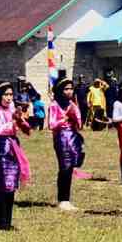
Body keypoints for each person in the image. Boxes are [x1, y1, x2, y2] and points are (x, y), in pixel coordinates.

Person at [0, 82, 31, 230]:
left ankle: (8, 222)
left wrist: (20, 120)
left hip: (13, 147)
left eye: (11, 94)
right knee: (3, 184)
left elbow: (23, 127)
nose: (9, 98)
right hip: (1, 147)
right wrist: (13, 122)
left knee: (11, 184)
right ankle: (1, 222)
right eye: (6, 94)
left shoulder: (12, 108)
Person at [48, 78, 85, 211]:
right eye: (66, 89)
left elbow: (80, 124)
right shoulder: (54, 105)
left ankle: (67, 199)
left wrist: (75, 117)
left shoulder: (73, 104)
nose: (69, 91)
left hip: (73, 137)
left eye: (71, 88)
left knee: (70, 168)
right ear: (59, 90)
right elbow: (51, 124)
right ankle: (62, 199)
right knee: (64, 167)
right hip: (61, 137)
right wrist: (65, 118)